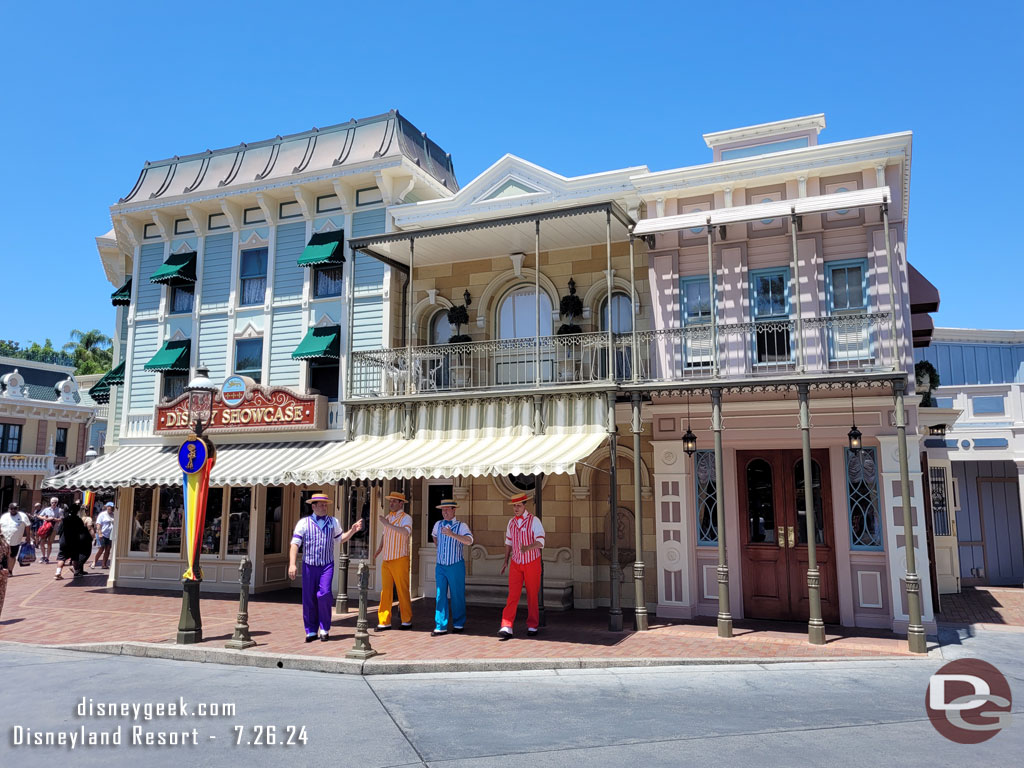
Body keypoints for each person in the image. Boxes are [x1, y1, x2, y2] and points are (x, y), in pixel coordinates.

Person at [288, 492, 363, 642]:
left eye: (325, 504)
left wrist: (353, 531)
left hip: (326, 565)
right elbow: (295, 544)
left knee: (324, 594)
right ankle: (310, 630)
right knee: (308, 597)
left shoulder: (333, 522)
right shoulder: (304, 523)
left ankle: (324, 628)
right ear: (313, 506)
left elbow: (340, 539)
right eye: (321, 505)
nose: (324, 507)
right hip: (309, 565)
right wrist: (292, 564)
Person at [498, 492, 545, 640]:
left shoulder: (534, 521)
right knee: (513, 595)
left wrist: (528, 548)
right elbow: (508, 542)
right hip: (516, 563)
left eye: (519, 505)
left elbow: (541, 542)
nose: (516, 509)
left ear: (525, 505)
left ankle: (532, 624)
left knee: (532, 595)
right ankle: (507, 625)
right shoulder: (511, 522)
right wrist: (506, 560)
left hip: (532, 562)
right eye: (514, 506)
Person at [430, 499, 474, 637]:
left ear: (454, 510)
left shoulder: (462, 526)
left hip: (455, 565)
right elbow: (434, 537)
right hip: (441, 565)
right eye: (443, 510)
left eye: (448, 509)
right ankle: (440, 625)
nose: (445, 512)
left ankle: (458, 623)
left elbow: (469, 541)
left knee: (457, 595)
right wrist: (440, 548)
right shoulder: (438, 524)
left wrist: (452, 535)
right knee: (440, 595)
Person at [374, 491, 413, 631]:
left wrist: (387, 524)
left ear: (401, 503)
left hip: (400, 558)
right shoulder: (388, 517)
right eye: (390, 501)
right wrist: (379, 548)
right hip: (387, 558)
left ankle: (406, 620)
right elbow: (385, 535)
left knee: (402, 590)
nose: (391, 503)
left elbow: (405, 532)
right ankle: (384, 621)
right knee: (386, 591)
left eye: (394, 501)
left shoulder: (406, 518)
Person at [53, 503, 91, 580]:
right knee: (75, 557)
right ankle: (76, 572)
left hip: (64, 541)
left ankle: (58, 573)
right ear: (77, 511)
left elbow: (59, 531)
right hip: (74, 541)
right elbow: (81, 531)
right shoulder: (78, 520)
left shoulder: (65, 520)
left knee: (62, 557)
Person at [0, 503, 29, 573]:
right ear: (9, 509)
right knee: (4, 556)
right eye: (11, 508)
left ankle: (10, 570)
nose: (13, 510)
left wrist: (28, 536)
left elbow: (27, 526)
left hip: (15, 540)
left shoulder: (23, 516)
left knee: (12, 556)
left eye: (15, 508)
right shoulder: (4, 516)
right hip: (4, 540)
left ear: (17, 509)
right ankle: (5, 570)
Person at [38, 497, 61, 563]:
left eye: (55, 502)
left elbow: (61, 518)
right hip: (45, 528)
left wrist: (54, 519)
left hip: (53, 528)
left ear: (57, 503)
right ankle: (43, 556)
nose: (54, 503)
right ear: (50, 503)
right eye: (52, 502)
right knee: (42, 542)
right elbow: (39, 516)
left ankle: (47, 558)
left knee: (49, 543)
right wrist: (45, 518)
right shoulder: (46, 509)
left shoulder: (59, 510)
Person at [93, 502, 115, 569]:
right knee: (101, 549)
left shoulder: (113, 515)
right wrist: (99, 533)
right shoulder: (102, 514)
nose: (110, 508)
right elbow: (98, 524)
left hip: (110, 535)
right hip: (103, 534)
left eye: (112, 507)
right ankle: (94, 562)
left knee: (108, 550)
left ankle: (104, 564)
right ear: (107, 507)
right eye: (109, 506)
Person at [0, 532, 10, 620]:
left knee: (1, 596)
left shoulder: (2, 538)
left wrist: (6, 568)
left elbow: (5, 554)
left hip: (3, 572)